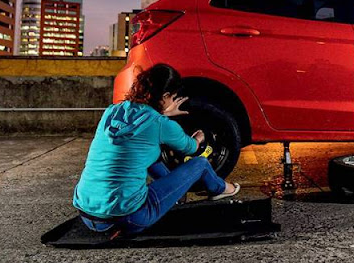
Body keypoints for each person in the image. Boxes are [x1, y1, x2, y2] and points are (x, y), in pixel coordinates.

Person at [73, 64, 240, 235]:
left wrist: (163, 115)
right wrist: (200, 136)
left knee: (146, 154)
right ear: (166, 96)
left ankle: (177, 197)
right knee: (201, 163)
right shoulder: (160, 124)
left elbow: (140, 129)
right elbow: (190, 148)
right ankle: (221, 189)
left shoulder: (111, 112)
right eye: (173, 97)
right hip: (129, 218)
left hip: (87, 214)